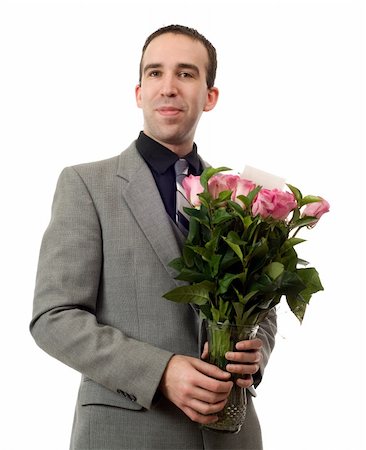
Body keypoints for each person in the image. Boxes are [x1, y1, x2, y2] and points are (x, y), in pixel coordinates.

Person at [30, 24, 277, 450]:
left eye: (185, 74)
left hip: (232, 436)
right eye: (155, 73)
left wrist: (257, 351)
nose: (168, 87)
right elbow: (54, 317)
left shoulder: (244, 198)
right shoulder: (87, 185)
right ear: (139, 91)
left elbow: (264, 307)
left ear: (210, 96)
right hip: (127, 434)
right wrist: (159, 371)